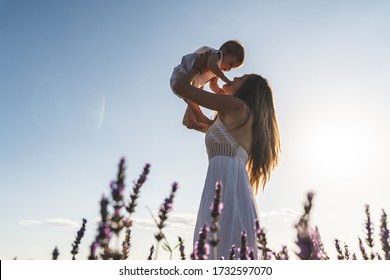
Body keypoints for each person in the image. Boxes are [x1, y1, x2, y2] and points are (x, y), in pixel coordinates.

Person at [172, 52, 281, 259]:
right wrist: (199, 85)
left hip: (227, 185)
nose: (234, 78)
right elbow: (192, 122)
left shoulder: (237, 107)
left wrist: (197, 69)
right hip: (222, 183)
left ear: (246, 89)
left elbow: (179, 87)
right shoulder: (231, 114)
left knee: (220, 249)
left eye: (241, 78)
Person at [170, 40, 245, 132]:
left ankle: (191, 120)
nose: (229, 69)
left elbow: (213, 84)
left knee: (194, 95)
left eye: (232, 68)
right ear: (225, 52)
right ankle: (198, 115)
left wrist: (217, 90)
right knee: (193, 95)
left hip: (188, 82)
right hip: (182, 74)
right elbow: (211, 64)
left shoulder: (215, 72)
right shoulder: (217, 55)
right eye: (230, 64)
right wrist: (224, 78)